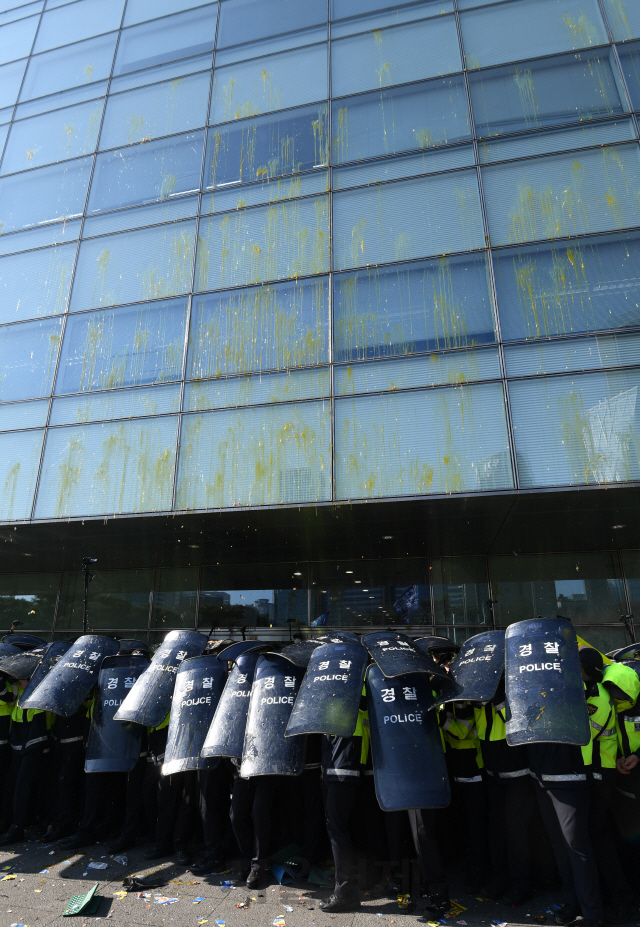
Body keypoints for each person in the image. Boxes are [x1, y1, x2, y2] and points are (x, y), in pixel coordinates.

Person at [579, 649, 633, 922]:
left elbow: (584, 734)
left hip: (601, 772)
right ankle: (616, 896)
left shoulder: (597, 698)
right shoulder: (594, 691)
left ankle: (619, 898)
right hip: (601, 771)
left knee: (596, 837)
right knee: (597, 836)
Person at [474, 675, 536, 906]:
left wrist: (499, 697)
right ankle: (501, 878)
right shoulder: (484, 689)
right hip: (492, 769)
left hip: (517, 770)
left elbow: (519, 721)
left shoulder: (516, 684)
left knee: (516, 832)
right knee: (496, 829)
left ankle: (522, 884)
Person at [319, 687, 370, 912]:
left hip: (346, 758)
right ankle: (350, 885)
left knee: (337, 827)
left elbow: (362, 705)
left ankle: (346, 892)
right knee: (343, 826)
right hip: (337, 758)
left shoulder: (353, 679)